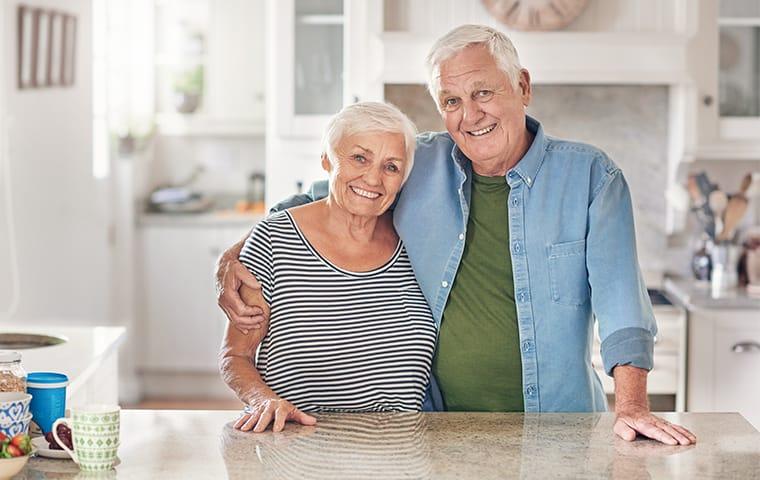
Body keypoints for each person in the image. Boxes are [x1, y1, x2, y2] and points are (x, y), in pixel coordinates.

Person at [215, 25, 696, 445]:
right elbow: (331, 195)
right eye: (451, 101)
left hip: (558, 431)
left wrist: (631, 405)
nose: (470, 115)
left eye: (483, 93)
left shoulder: (592, 176)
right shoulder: (418, 164)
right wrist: (234, 257)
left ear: (522, 86)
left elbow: (622, 305)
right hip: (437, 433)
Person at [219, 102, 437, 432]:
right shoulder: (274, 239)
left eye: (391, 167)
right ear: (327, 159)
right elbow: (235, 355)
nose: (373, 178)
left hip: (401, 452)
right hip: (296, 447)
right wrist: (263, 399)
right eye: (359, 158)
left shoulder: (418, 244)